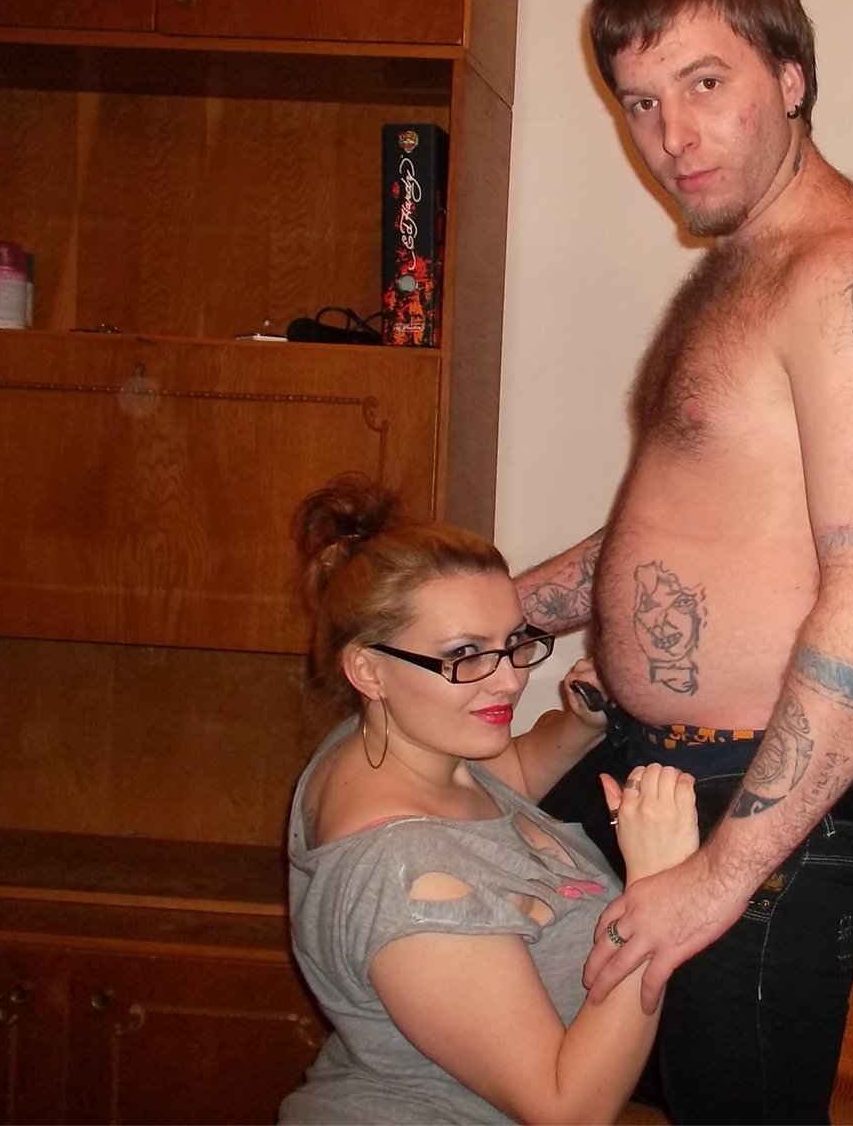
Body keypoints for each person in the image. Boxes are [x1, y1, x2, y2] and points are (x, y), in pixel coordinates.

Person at [514, 0, 853, 1120]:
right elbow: (694, 535)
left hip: (760, 794)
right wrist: (499, 614)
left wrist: (721, 876)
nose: (673, 136)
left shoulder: (846, 282)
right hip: (662, 770)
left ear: (792, 77)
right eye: (641, 103)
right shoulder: (748, 265)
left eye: (706, 84)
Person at [278, 474, 698, 1125]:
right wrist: (654, 890)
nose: (508, 680)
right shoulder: (413, 880)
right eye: (465, 655)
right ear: (367, 670)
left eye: (514, 642)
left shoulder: (386, 747)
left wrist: (579, 724)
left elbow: (508, 777)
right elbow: (567, 1110)